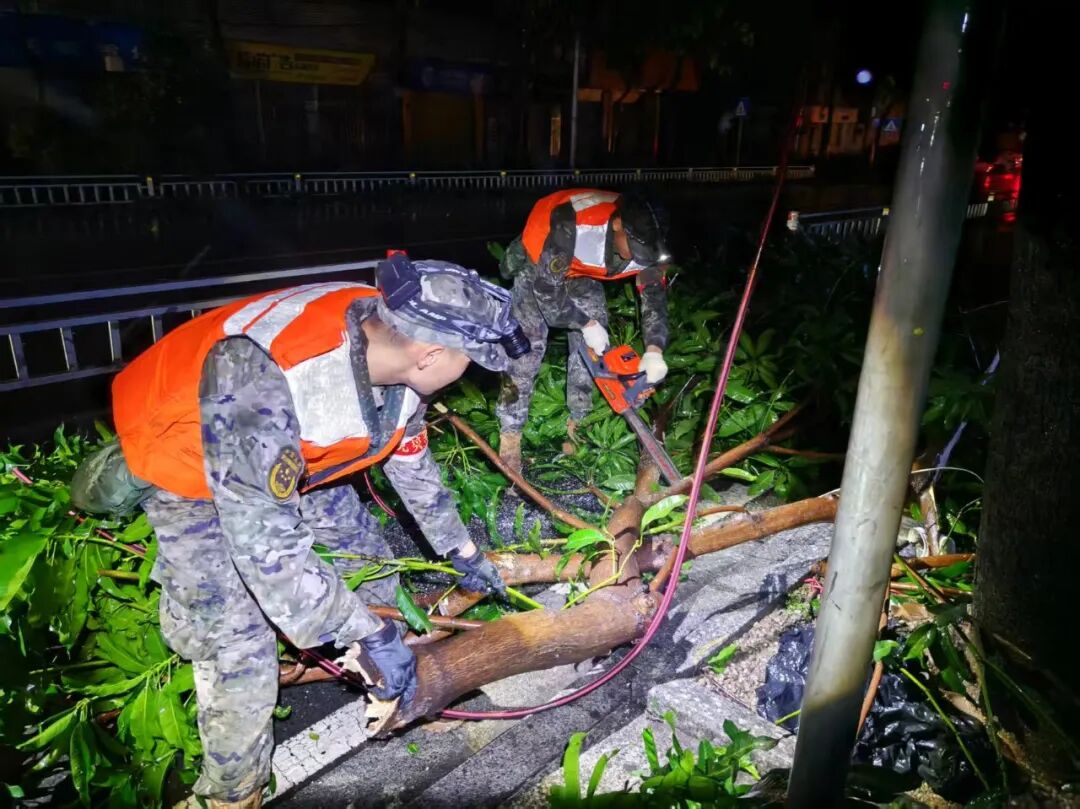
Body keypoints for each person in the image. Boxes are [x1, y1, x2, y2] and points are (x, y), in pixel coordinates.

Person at [88, 255, 525, 808]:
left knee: (368, 557)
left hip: (292, 453)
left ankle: (409, 690)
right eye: (470, 362)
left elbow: (412, 464)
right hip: (187, 459)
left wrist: (461, 550)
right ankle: (231, 792)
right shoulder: (268, 376)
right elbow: (265, 546)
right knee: (235, 636)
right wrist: (363, 633)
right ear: (431, 353)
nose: (471, 375)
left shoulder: (391, 346)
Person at [495, 189, 671, 470]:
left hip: (579, 272)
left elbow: (654, 299)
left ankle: (579, 424)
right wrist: (585, 323)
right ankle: (510, 438)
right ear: (617, 226)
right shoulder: (573, 223)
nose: (641, 257)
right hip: (539, 264)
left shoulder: (655, 242)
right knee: (525, 351)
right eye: (637, 249)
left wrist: (654, 348)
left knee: (592, 350)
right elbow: (548, 296)